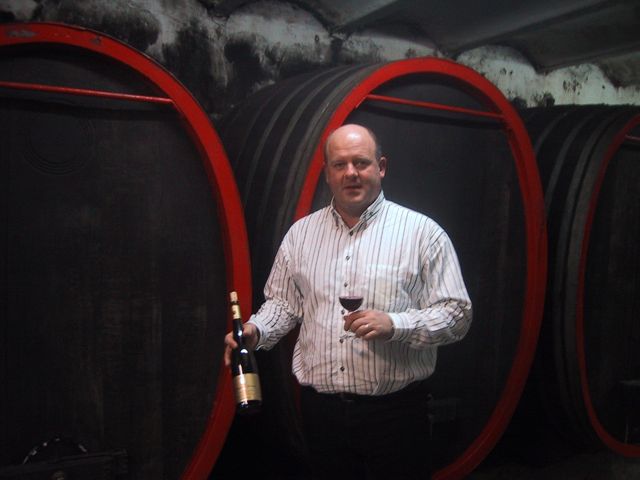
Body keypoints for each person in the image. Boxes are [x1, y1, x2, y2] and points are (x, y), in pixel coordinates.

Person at [224, 123, 472, 479]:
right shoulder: (301, 235)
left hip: (395, 415)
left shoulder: (422, 233)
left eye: (361, 162)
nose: (350, 173)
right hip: (322, 414)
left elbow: (457, 314)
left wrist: (396, 324)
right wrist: (255, 331)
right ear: (327, 173)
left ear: (381, 167)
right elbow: (284, 304)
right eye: (340, 164)